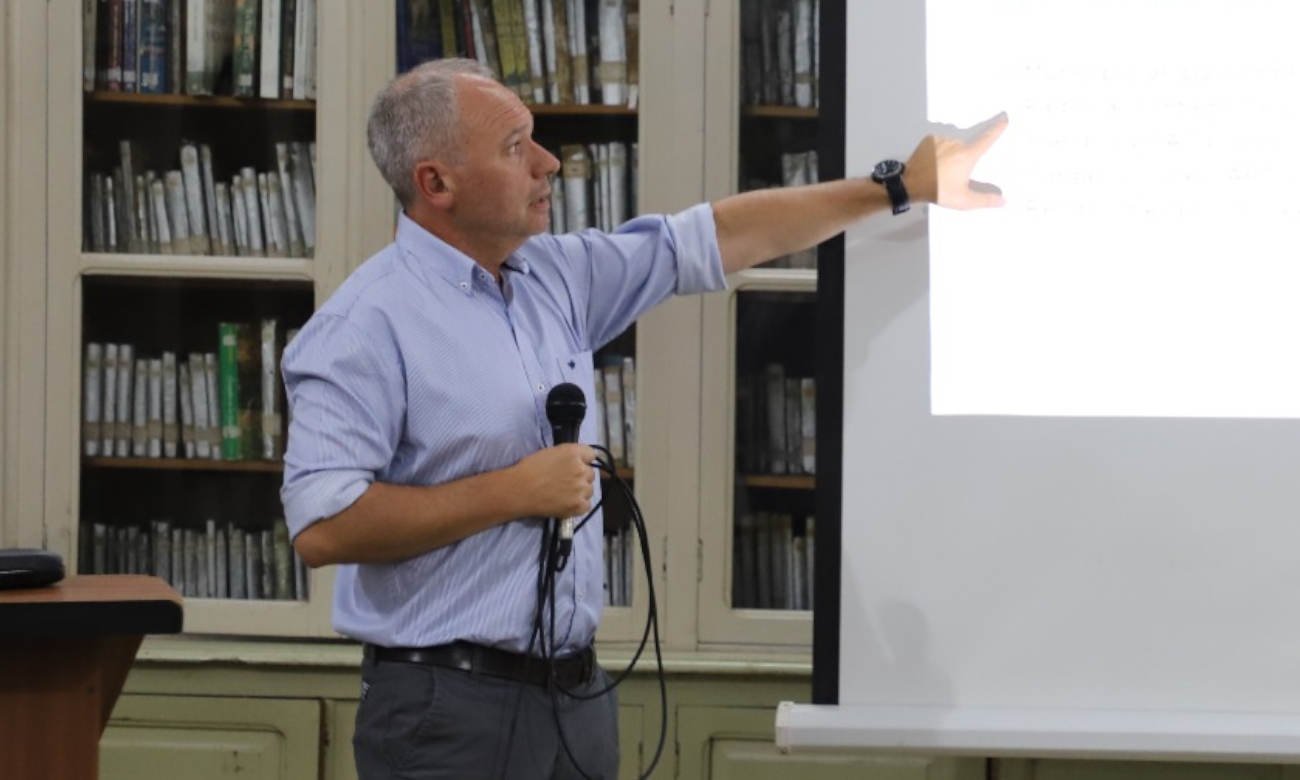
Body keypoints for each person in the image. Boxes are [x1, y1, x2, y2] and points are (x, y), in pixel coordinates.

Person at [280, 58, 1007, 780]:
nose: (548, 164)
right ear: (436, 183)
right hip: (446, 706)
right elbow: (323, 527)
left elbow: (718, 236)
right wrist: (512, 492)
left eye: (535, 138)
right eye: (514, 148)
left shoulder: (555, 277)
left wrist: (898, 188)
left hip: (576, 693)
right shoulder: (364, 327)